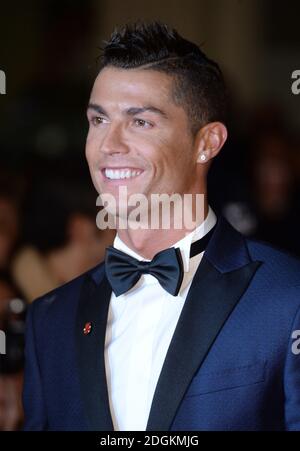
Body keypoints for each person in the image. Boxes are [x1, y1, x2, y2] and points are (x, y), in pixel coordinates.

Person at [23, 22, 300, 431]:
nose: (108, 145)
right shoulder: (49, 319)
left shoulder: (287, 298)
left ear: (207, 143)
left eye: (140, 122)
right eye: (98, 120)